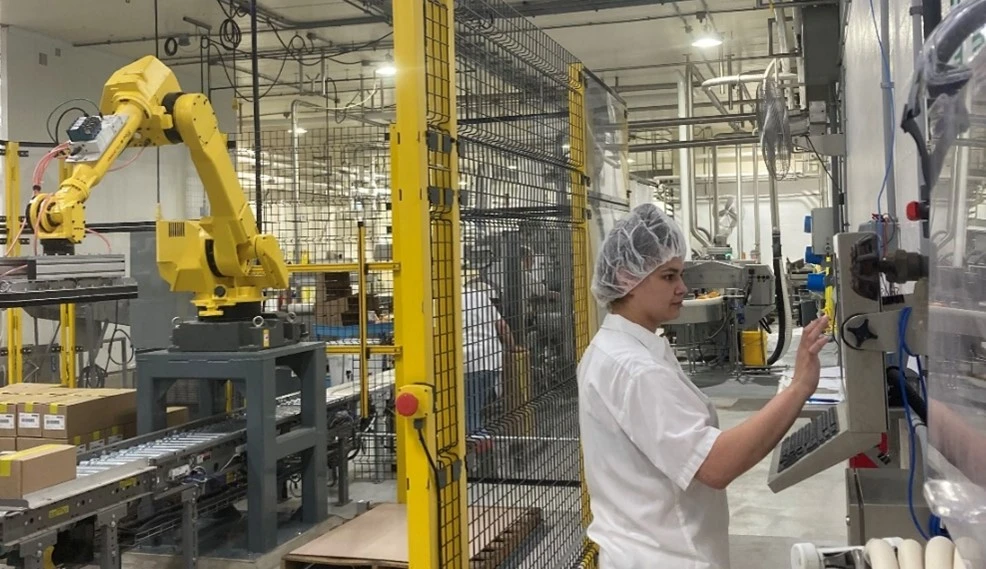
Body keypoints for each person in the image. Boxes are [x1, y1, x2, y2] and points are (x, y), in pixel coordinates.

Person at [577, 203, 829, 569]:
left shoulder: (616, 349)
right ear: (626, 275)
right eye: (668, 277)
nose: (683, 287)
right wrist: (799, 388)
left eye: (681, 274)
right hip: (665, 558)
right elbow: (715, 465)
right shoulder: (635, 369)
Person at [462, 276, 513, 437]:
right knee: (475, 412)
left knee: (470, 422)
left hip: (467, 362)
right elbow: (502, 326)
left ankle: (482, 451)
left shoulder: (441, 300)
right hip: (491, 359)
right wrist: (512, 347)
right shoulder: (479, 295)